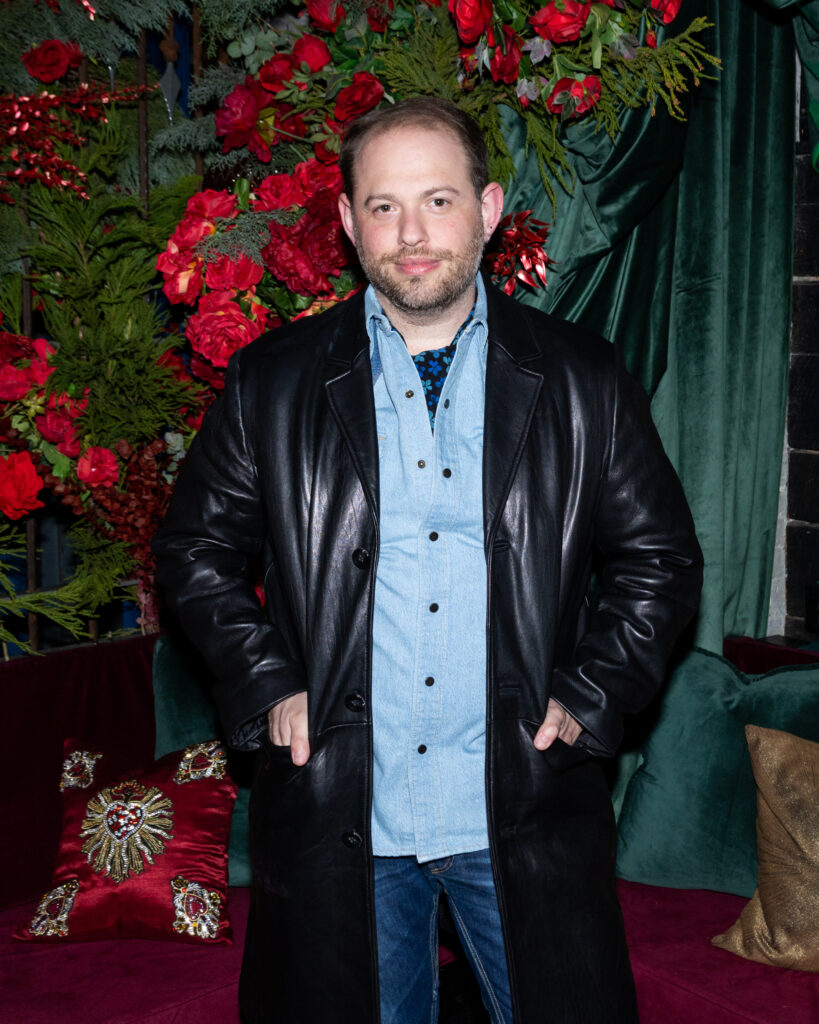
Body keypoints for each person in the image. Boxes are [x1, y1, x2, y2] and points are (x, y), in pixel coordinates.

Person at [153, 96, 702, 1024]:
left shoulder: (583, 378)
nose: (411, 234)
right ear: (346, 220)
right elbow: (193, 550)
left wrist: (595, 691)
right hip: (342, 812)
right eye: (384, 206)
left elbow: (661, 558)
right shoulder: (270, 382)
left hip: (522, 805)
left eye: (438, 201)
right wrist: (267, 681)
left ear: (487, 209)